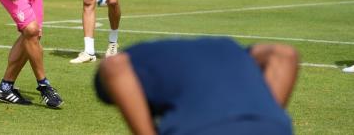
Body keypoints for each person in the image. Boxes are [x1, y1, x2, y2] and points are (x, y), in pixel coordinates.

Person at [94, 37, 300, 134]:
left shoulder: (137, 56)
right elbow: (285, 55)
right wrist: (263, 113)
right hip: (273, 128)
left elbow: (115, 65)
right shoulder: (229, 48)